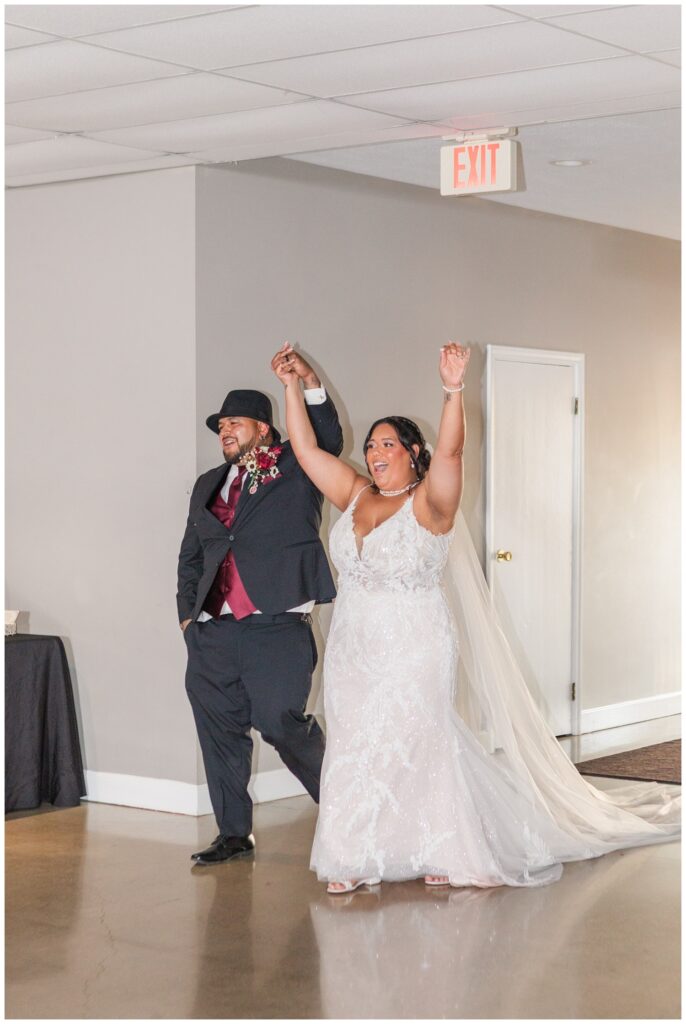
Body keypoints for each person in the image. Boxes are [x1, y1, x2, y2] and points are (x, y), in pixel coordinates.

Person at [273, 341, 680, 894]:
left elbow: (453, 456)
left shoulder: (431, 503)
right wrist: (292, 384)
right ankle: (355, 855)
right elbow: (303, 448)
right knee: (356, 744)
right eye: (371, 445)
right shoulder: (355, 495)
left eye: (388, 444)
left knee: (420, 739)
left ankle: (443, 844)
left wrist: (452, 390)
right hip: (355, 646)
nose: (375, 452)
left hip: (415, 642)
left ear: (413, 452)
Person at [178, 345, 343, 865]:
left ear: (265, 430)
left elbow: (329, 438)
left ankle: (345, 809)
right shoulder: (207, 485)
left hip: (276, 626)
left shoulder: (295, 467)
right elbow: (190, 556)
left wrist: (308, 381)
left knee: (280, 721)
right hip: (212, 633)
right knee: (219, 731)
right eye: (221, 425)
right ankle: (234, 833)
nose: (225, 431)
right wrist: (188, 617)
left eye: (236, 423)